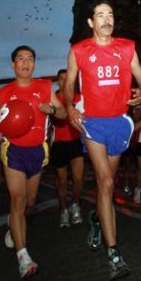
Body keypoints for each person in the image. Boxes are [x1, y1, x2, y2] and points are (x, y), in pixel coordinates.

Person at [64, 0, 141, 281]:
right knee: (107, 183)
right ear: (91, 22)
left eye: (110, 14)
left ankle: (97, 219)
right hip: (92, 124)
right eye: (100, 15)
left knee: (107, 187)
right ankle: (114, 254)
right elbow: (69, 85)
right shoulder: (79, 50)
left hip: (119, 123)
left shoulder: (127, 47)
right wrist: (70, 107)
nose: (106, 19)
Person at [0, 45, 62, 279]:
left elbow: (63, 114)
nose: (26, 63)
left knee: (29, 203)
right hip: (13, 150)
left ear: (34, 64)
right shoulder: (4, 93)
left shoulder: (45, 87)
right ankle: (23, 256)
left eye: (30, 59)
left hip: (38, 151)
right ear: (13, 65)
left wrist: (51, 109)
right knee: (17, 199)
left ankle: (13, 222)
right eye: (21, 59)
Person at [50, 69, 85, 227]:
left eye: (67, 78)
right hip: (58, 144)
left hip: (76, 142)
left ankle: (75, 204)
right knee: (62, 181)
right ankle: (64, 209)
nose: (64, 81)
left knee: (78, 178)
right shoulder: (53, 99)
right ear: (58, 82)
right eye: (61, 79)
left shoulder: (78, 98)